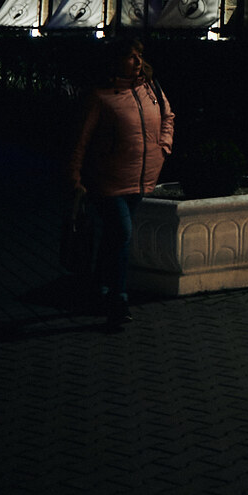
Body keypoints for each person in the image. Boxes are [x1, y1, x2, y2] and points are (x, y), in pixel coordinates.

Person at [67, 35, 173, 328]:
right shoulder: (100, 96)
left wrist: (163, 146)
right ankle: (118, 298)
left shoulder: (150, 87)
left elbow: (168, 116)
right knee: (122, 233)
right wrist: (74, 177)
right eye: (130, 56)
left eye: (139, 55)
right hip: (108, 180)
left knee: (114, 236)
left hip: (141, 178)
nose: (137, 61)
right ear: (115, 61)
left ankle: (99, 287)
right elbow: (80, 140)